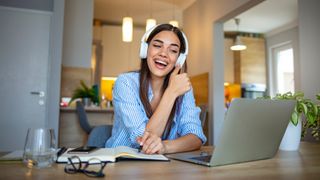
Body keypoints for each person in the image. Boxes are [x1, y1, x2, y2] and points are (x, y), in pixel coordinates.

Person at [105, 23, 206, 154]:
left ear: (179, 59)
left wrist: (164, 147)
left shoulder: (182, 88)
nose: (163, 53)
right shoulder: (125, 83)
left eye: (173, 50)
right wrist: (171, 93)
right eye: (157, 46)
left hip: (162, 168)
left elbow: (196, 136)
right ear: (145, 50)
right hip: (121, 164)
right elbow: (143, 141)